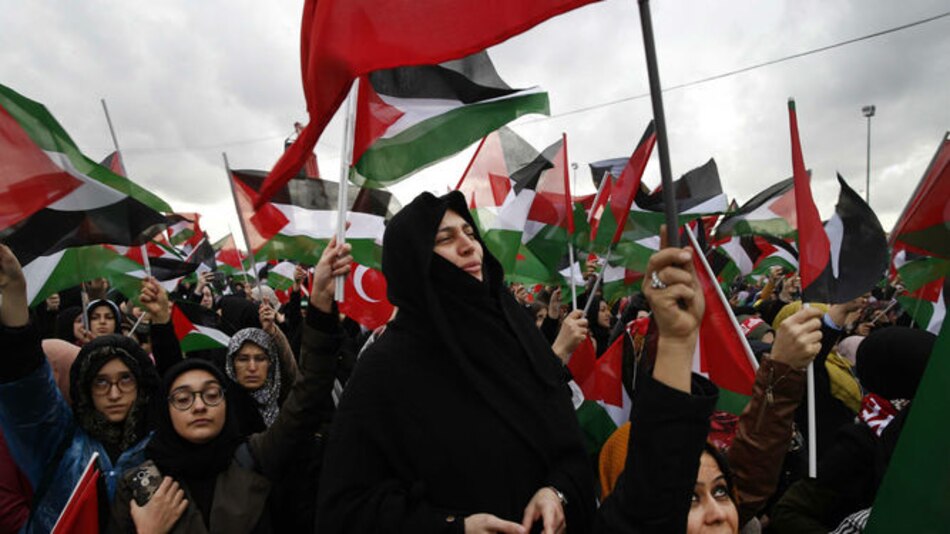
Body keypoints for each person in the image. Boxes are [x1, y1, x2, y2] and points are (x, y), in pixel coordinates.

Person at [317, 191, 595, 534]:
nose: (468, 246)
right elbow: (346, 512)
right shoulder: (384, 368)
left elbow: (571, 446)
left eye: (470, 233)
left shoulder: (518, 332)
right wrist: (453, 527)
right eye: (444, 239)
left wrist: (559, 492)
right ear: (413, 262)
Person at [108, 236, 351, 533]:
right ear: (165, 409)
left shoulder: (254, 457)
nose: (199, 405)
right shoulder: (142, 487)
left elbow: (309, 393)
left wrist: (320, 306)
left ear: (227, 402)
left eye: (211, 395)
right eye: (183, 399)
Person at [0, 244, 161, 533]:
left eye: (125, 379)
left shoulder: (160, 446)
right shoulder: (59, 445)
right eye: (101, 382)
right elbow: (28, 391)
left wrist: (163, 326)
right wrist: (14, 292)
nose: (114, 394)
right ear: (84, 388)